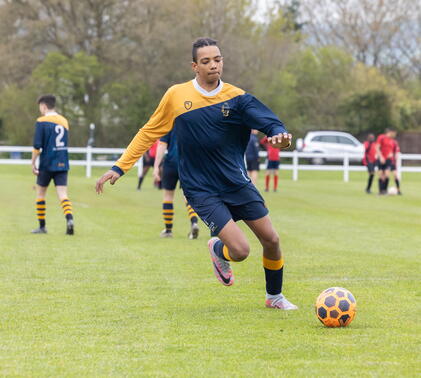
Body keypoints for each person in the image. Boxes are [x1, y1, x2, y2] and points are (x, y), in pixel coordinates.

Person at [96, 37, 297, 310]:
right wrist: (120, 166)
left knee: (271, 240)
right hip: (201, 189)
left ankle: (274, 297)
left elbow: (273, 126)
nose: (213, 65)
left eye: (217, 59)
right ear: (195, 66)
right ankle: (218, 249)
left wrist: (280, 139)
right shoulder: (176, 96)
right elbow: (149, 132)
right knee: (240, 251)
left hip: (236, 182)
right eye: (206, 61)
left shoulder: (238, 98)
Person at [31, 94, 74, 235]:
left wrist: (32, 163)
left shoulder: (41, 121)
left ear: (44, 106)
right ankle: (69, 219)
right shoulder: (64, 121)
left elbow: (37, 146)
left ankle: (42, 226)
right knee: (63, 194)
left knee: (41, 193)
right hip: (62, 163)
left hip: (47, 163)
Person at [153, 129, 200, 239]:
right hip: (187, 164)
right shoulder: (190, 122)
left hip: (170, 164)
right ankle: (194, 223)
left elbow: (162, 145)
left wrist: (156, 166)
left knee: (168, 196)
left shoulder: (169, 124)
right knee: (188, 196)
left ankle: (168, 230)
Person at [376, 128, 396, 195]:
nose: (394, 134)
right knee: (381, 175)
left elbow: (391, 150)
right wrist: (381, 157)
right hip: (381, 159)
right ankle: (380, 191)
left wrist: (391, 154)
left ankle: (385, 190)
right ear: (390, 132)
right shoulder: (381, 137)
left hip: (388, 160)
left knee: (387, 174)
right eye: (393, 133)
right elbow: (377, 148)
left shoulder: (391, 140)